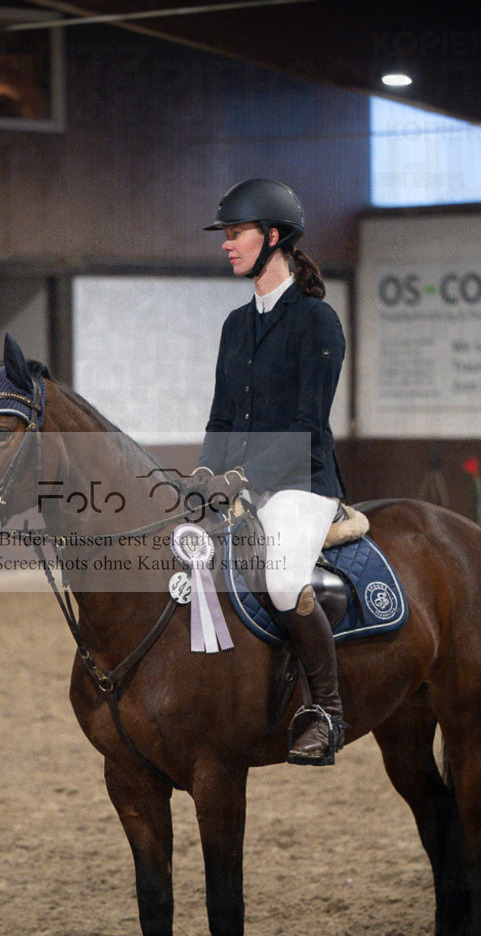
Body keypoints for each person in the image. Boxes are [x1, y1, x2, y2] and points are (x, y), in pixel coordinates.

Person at [193, 177, 348, 766]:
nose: (227, 245)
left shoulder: (317, 322)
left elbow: (310, 422)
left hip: (301, 485)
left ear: (274, 237)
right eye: (226, 236)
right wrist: (205, 475)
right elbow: (221, 416)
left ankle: (325, 713)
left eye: (236, 234)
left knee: (282, 580)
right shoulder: (237, 325)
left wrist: (244, 477)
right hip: (241, 485)